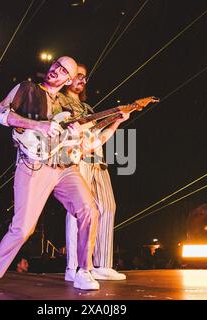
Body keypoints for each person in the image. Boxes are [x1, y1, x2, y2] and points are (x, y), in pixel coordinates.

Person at [0, 56, 101, 291]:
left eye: (64, 70)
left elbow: (82, 143)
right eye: (56, 65)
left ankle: (84, 270)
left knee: (90, 210)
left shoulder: (67, 104)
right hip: (33, 165)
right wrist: (39, 125)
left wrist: (82, 132)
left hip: (65, 167)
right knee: (23, 228)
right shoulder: (27, 89)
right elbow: (1, 115)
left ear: (68, 80)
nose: (57, 70)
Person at [60, 63, 127, 281]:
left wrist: (117, 121)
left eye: (84, 77)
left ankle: (101, 264)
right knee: (79, 211)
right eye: (78, 75)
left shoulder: (89, 109)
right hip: (77, 159)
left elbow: (99, 137)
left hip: (98, 160)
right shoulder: (59, 102)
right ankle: (73, 267)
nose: (82, 80)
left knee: (107, 207)